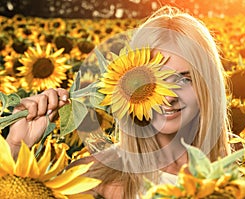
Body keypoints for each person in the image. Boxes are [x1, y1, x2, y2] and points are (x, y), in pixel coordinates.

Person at [6, 5, 231, 199]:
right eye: (151, 80)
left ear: (208, 85)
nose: (168, 96)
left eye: (184, 78)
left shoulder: (244, 175)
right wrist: (15, 149)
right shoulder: (93, 177)